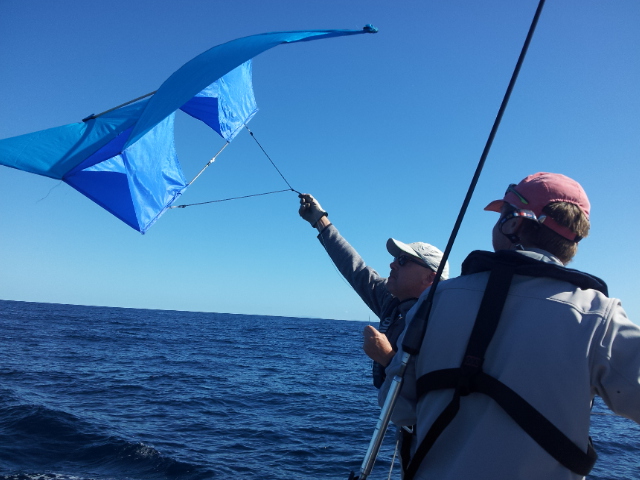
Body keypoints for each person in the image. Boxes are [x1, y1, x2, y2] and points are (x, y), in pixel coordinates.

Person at [380, 172, 640, 480]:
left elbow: (398, 408)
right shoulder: (599, 316)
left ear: (513, 223)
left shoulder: (437, 298)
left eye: (501, 214)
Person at [298, 193, 449, 388]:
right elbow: (356, 269)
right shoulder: (391, 302)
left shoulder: (446, 321)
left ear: (431, 278)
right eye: (395, 259)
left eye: (403, 260)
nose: (392, 265)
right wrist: (320, 220)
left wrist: (387, 358)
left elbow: (437, 393)